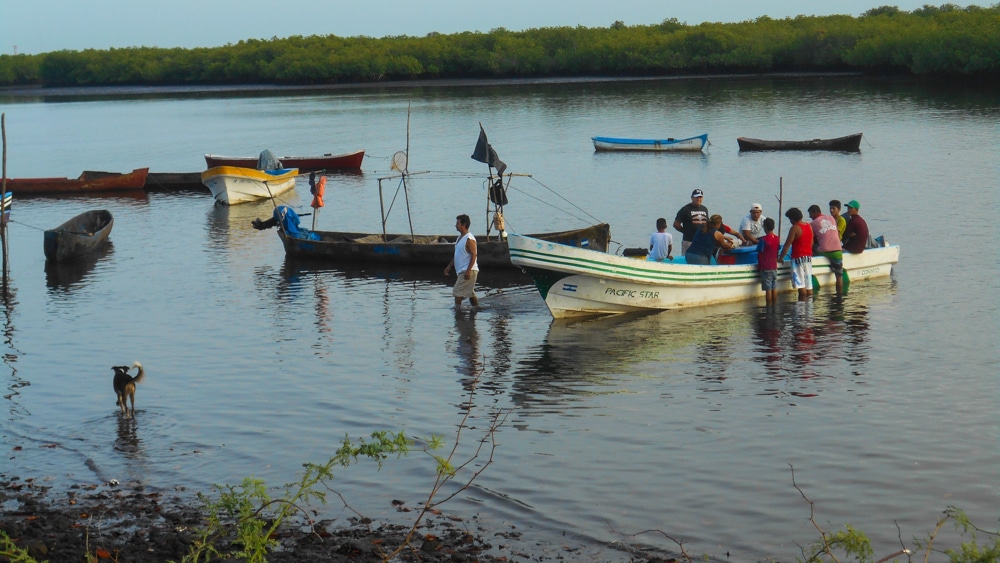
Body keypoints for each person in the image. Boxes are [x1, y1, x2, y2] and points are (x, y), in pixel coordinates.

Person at [443, 214, 480, 308]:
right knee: (470, 293)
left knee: (457, 292)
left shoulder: (469, 239)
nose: (456, 225)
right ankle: (476, 308)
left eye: (458, 223)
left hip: (468, 270)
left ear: (464, 225)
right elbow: (457, 255)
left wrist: (468, 270)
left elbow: (474, 255)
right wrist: (449, 266)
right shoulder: (459, 238)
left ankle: (458, 311)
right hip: (461, 270)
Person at [778, 207, 814, 300]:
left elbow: (786, 245)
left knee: (800, 285)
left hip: (798, 258)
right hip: (808, 258)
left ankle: (801, 309)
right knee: (809, 285)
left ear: (792, 218)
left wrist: (780, 258)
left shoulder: (795, 228)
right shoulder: (808, 225)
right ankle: (809, 307)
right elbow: (812, 242)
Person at [808, 204, 844, 294]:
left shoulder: (812, 223)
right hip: (838, 250)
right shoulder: (831, 218)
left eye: (810, 214)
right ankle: (839, 295)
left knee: (814, 246)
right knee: (839, 276)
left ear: (815, 212)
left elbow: (811, 240)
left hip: (824, 250)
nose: (809, 216)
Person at [673, 189, 708, 254]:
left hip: (702, 241)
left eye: (700, 197)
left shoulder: (704, 209)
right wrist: (685, 231)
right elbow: (676, 224)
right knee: (686, 259)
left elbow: (707, 223)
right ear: (692, 197)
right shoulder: (685, 209)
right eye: (696, 197)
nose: (698, 199)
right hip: (689, 241)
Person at [757, 217, 780, 305]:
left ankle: (769, 306)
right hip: (774, 267)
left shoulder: (763, 240)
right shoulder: (777, 238)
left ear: (765, 227)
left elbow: (759, 250)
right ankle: (774, 305)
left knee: (768, 290)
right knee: (774, 288)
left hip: (765, 267)